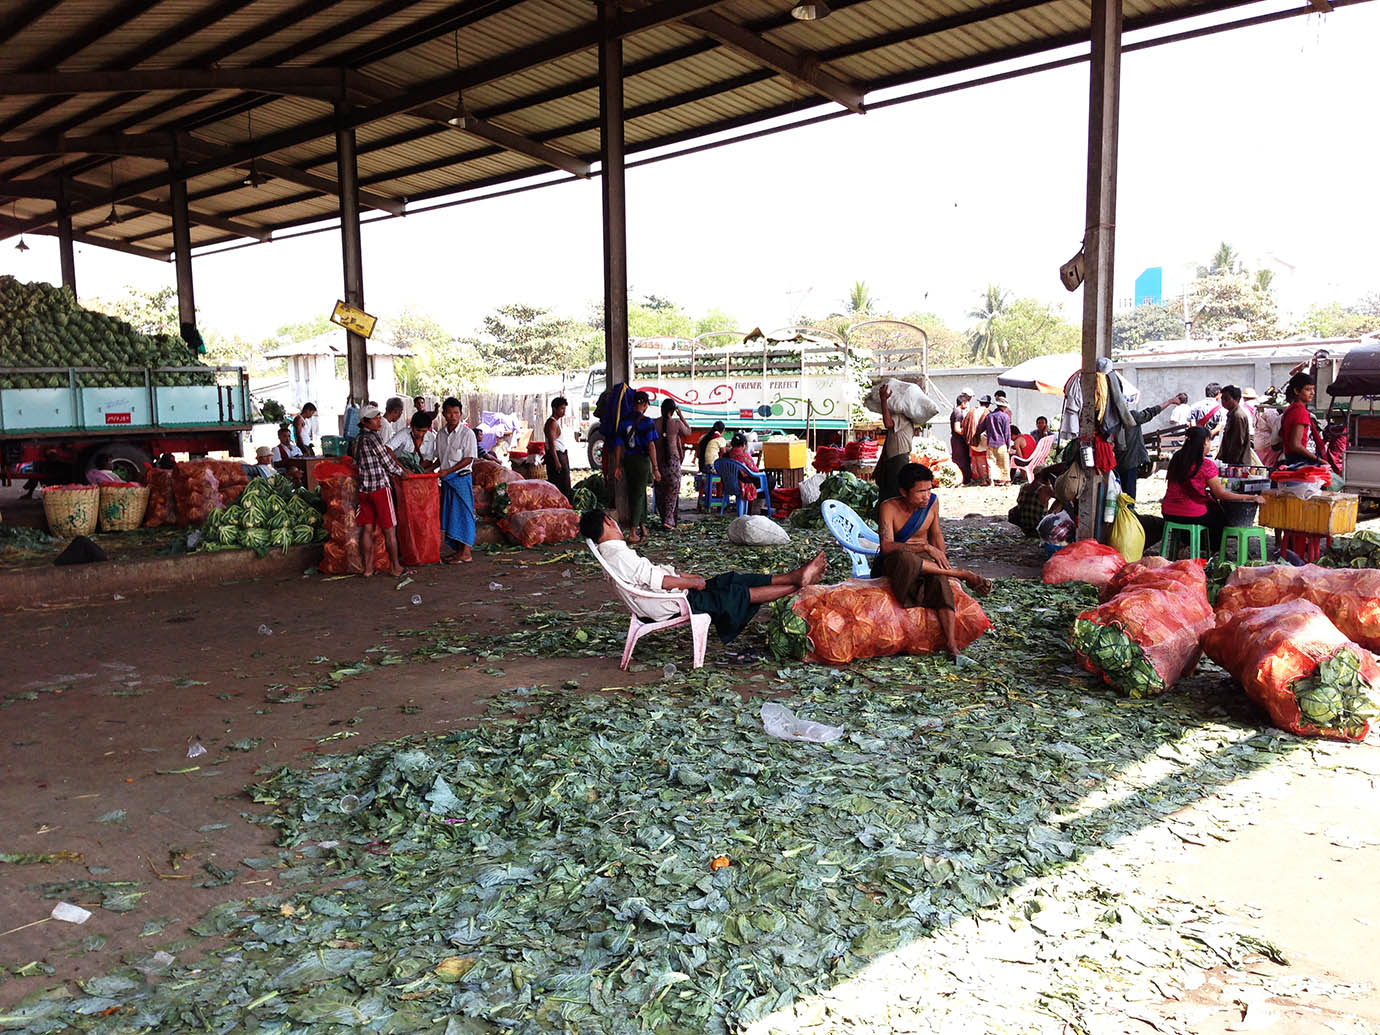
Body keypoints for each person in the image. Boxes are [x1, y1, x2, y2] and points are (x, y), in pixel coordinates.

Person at [581, 509, 826, 643]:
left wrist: (680, 575)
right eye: (614, 521)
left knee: (731, 579)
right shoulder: (620, 555)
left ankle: (796, 575)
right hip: (672, 601)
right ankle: (797, 584)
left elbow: (652, 575)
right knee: (736, 593)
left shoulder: (613, 554)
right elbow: (659, 581)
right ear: (608, 522)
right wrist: (692, 582)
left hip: (666, 596)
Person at [875, 463, 992, 659]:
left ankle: (952, 644)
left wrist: (941, 557)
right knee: (907, 558)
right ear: (904, 491)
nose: (926, 496)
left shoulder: (932, 502)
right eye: (920, 491)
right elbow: (886, 546)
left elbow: (936, 533)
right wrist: (924, 547)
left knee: (939, 580)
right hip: (899, 562)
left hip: (927, 563)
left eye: (929, 489)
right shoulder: (888, 507)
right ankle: (961, 574)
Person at [1162, 425, 1262, 553]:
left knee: (1208, 512)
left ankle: (1184, 542)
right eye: (1209, 441)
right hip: (1191, 514)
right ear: (1205, 442)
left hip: (1168, 511)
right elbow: (1220, 494)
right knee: (1219, 518)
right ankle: (1214, 551)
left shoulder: (1176, 458)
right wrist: (1251, 497)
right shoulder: (1206, 465)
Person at [1104, 370, 1187, 501]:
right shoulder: (1132, 416)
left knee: (1116, 493)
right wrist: (1170, 401)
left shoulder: (1107, 420)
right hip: (1129, 463)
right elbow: (1152, 411)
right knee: (1128, 497)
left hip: (1115, 463)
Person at [352, 404, 409, 578]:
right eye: (375, 418)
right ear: (364, 422)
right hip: (379, 489)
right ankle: (395, 567)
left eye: (379, 417)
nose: (379, 421)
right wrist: (402, 472)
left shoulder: (358, 439)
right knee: (389, 530)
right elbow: (387, 463)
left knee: (367, 529)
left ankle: (368, 569)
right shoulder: (373, 438)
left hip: (364, 490)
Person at [613, 391, 660, 543]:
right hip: (642, 461)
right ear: (645, 405)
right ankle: (633, 531)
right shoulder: (647, 422)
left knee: (637, 493)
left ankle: (643, 525)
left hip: (628, 460)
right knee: (638, 495)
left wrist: (618, 466)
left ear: (633, 404)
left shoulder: (623, 421)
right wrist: (656, 468)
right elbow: (651, 445)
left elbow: (619, 446)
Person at [434, 397, 477, 563]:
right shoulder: (441, 435)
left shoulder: (467, 434)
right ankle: (459, 551)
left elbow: (468, 459)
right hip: (446, 480)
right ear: (444, 414)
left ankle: (466, 552)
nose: (453, 416)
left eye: (456, 413)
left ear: (460, 414)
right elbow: (439, 459)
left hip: (461, 478)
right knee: (452, 515)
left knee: (465, 514)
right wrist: (426, 471)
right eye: (449, 413)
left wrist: (448, 471)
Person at [877, 381, 920, 505]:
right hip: (894, 459)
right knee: (889, 492)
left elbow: (888, 423)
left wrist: (883, 400)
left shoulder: (902, 417)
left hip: (898, 460)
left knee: (893, 493)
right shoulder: (904, 417)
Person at [654, 398, 692, 528]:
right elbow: (688, 431)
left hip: (658, 463)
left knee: (660, 492)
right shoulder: (676, 423)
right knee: (672, 492)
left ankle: (663, 518)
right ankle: (668, 520)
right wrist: (681, 415)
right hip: (673, 462)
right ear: (673, 411)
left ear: (661, 409)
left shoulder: (654, 423)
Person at [1279, 372, 1327, 468]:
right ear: (1297, 391)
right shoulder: (1300, 412)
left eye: (1313, 389)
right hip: (1302, 461)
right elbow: (1295, 445)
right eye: (1308, 389)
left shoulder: (1291, 409)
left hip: (1292, 459)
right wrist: (1319, 460)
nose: (1312, 393)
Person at [1008, 467, 1059, 537]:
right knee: (1060, 501)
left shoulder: (1023, 486)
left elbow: (1019, 502)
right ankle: (1046, 524)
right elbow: (1062, 497)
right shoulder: (1045, 489)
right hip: (1039, 527)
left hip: (1025, 526)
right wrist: (1051, 512)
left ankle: (1030, 531)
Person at [544, 396, 573, 502]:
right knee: (561, 485)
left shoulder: (554, 422)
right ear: (554, 409)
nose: (564, 411)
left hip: (559, 454)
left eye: (565, 409)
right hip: (557, 456)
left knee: (564, 484)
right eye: (561, 408)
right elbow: (551, 443)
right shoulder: (552, 423)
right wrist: (556, 461)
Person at [1216, 385, 1254, 467]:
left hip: (1237, 462)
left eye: (1226, 399)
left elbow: (1238, 442)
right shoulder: (1232, 414)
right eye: (1222, 399)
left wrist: (1233, 463)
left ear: (1237, 399)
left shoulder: (1237, 416)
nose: (1223, 402)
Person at [980, 398, 1013, 485]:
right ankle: (1006, 481)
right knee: (1004, 462)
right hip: (1001, 443)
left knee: (991, 462)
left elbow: (980, 428)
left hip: (990, 443)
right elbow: (1007, 433)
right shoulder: (1005, 417)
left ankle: (992, 481)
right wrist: (1008, 445)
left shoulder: (989, 416)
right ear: (1004, 407)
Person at [963, 395, 991, 485]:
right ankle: (990, 480)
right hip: (986, 439)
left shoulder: (972, 411)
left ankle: (982, 480)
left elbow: (965, 423)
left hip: (974, 438)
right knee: (989, 460)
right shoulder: (988, 412)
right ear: (988, 404)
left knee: (978, 460)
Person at [949, 391, 972, 484]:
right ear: (963, 403)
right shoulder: (958, 413)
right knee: (961, 460)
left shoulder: (955, 411)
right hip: (958, 440)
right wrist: (967, 433)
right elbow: (957, 429)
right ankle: (963, 479)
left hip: (957, 439)